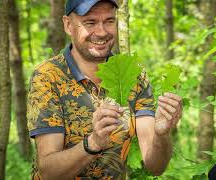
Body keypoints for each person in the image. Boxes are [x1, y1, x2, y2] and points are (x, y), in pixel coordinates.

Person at [27, 0, 183, 179]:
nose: (101, 32)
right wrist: (93, 142)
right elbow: (48, 172)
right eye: (90, 22)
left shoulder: (133, 74)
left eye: (109, 21)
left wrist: (162, 134)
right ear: (68, 25)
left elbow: (156, 167)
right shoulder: (48, 76)